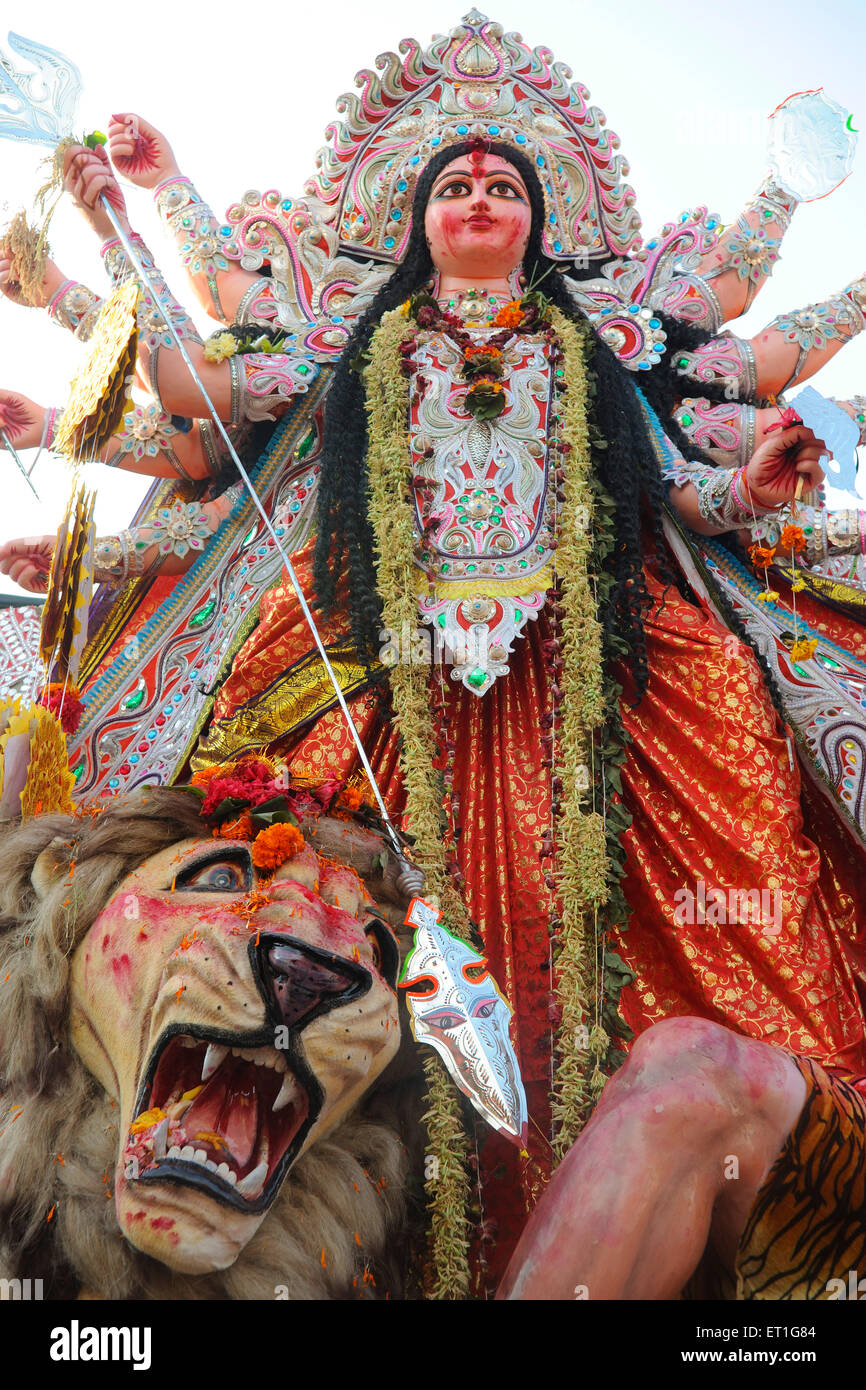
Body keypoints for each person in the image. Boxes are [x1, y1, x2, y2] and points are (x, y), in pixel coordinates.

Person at [2, 13, 866, 1293]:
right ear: (414, 223)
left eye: (503, 186)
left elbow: (684, 498)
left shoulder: (594, 353)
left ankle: (709, 1214)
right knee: (292, 957)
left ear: (536, 224)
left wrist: (756, 481)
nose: (477, 195)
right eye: (453, 184)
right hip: (362, 693)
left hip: (624, 695)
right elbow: (204, 403)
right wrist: (124, 228)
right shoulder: (349, 350)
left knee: (713, 974)